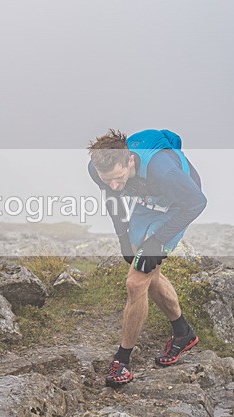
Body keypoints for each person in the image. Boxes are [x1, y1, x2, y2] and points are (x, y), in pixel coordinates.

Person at [87, 129, 207, 387]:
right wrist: (122, 236)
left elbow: (196, 203)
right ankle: (183, 332)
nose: (115, 186)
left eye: (118, 178)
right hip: (147, 199)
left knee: (136, 282)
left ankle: (123, 361)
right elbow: (112, 197)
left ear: (130, 160)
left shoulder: (163, 172)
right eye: (107, 180)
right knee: (147, 270)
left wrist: (156, 242)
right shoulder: (99, 168)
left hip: (177, 204)